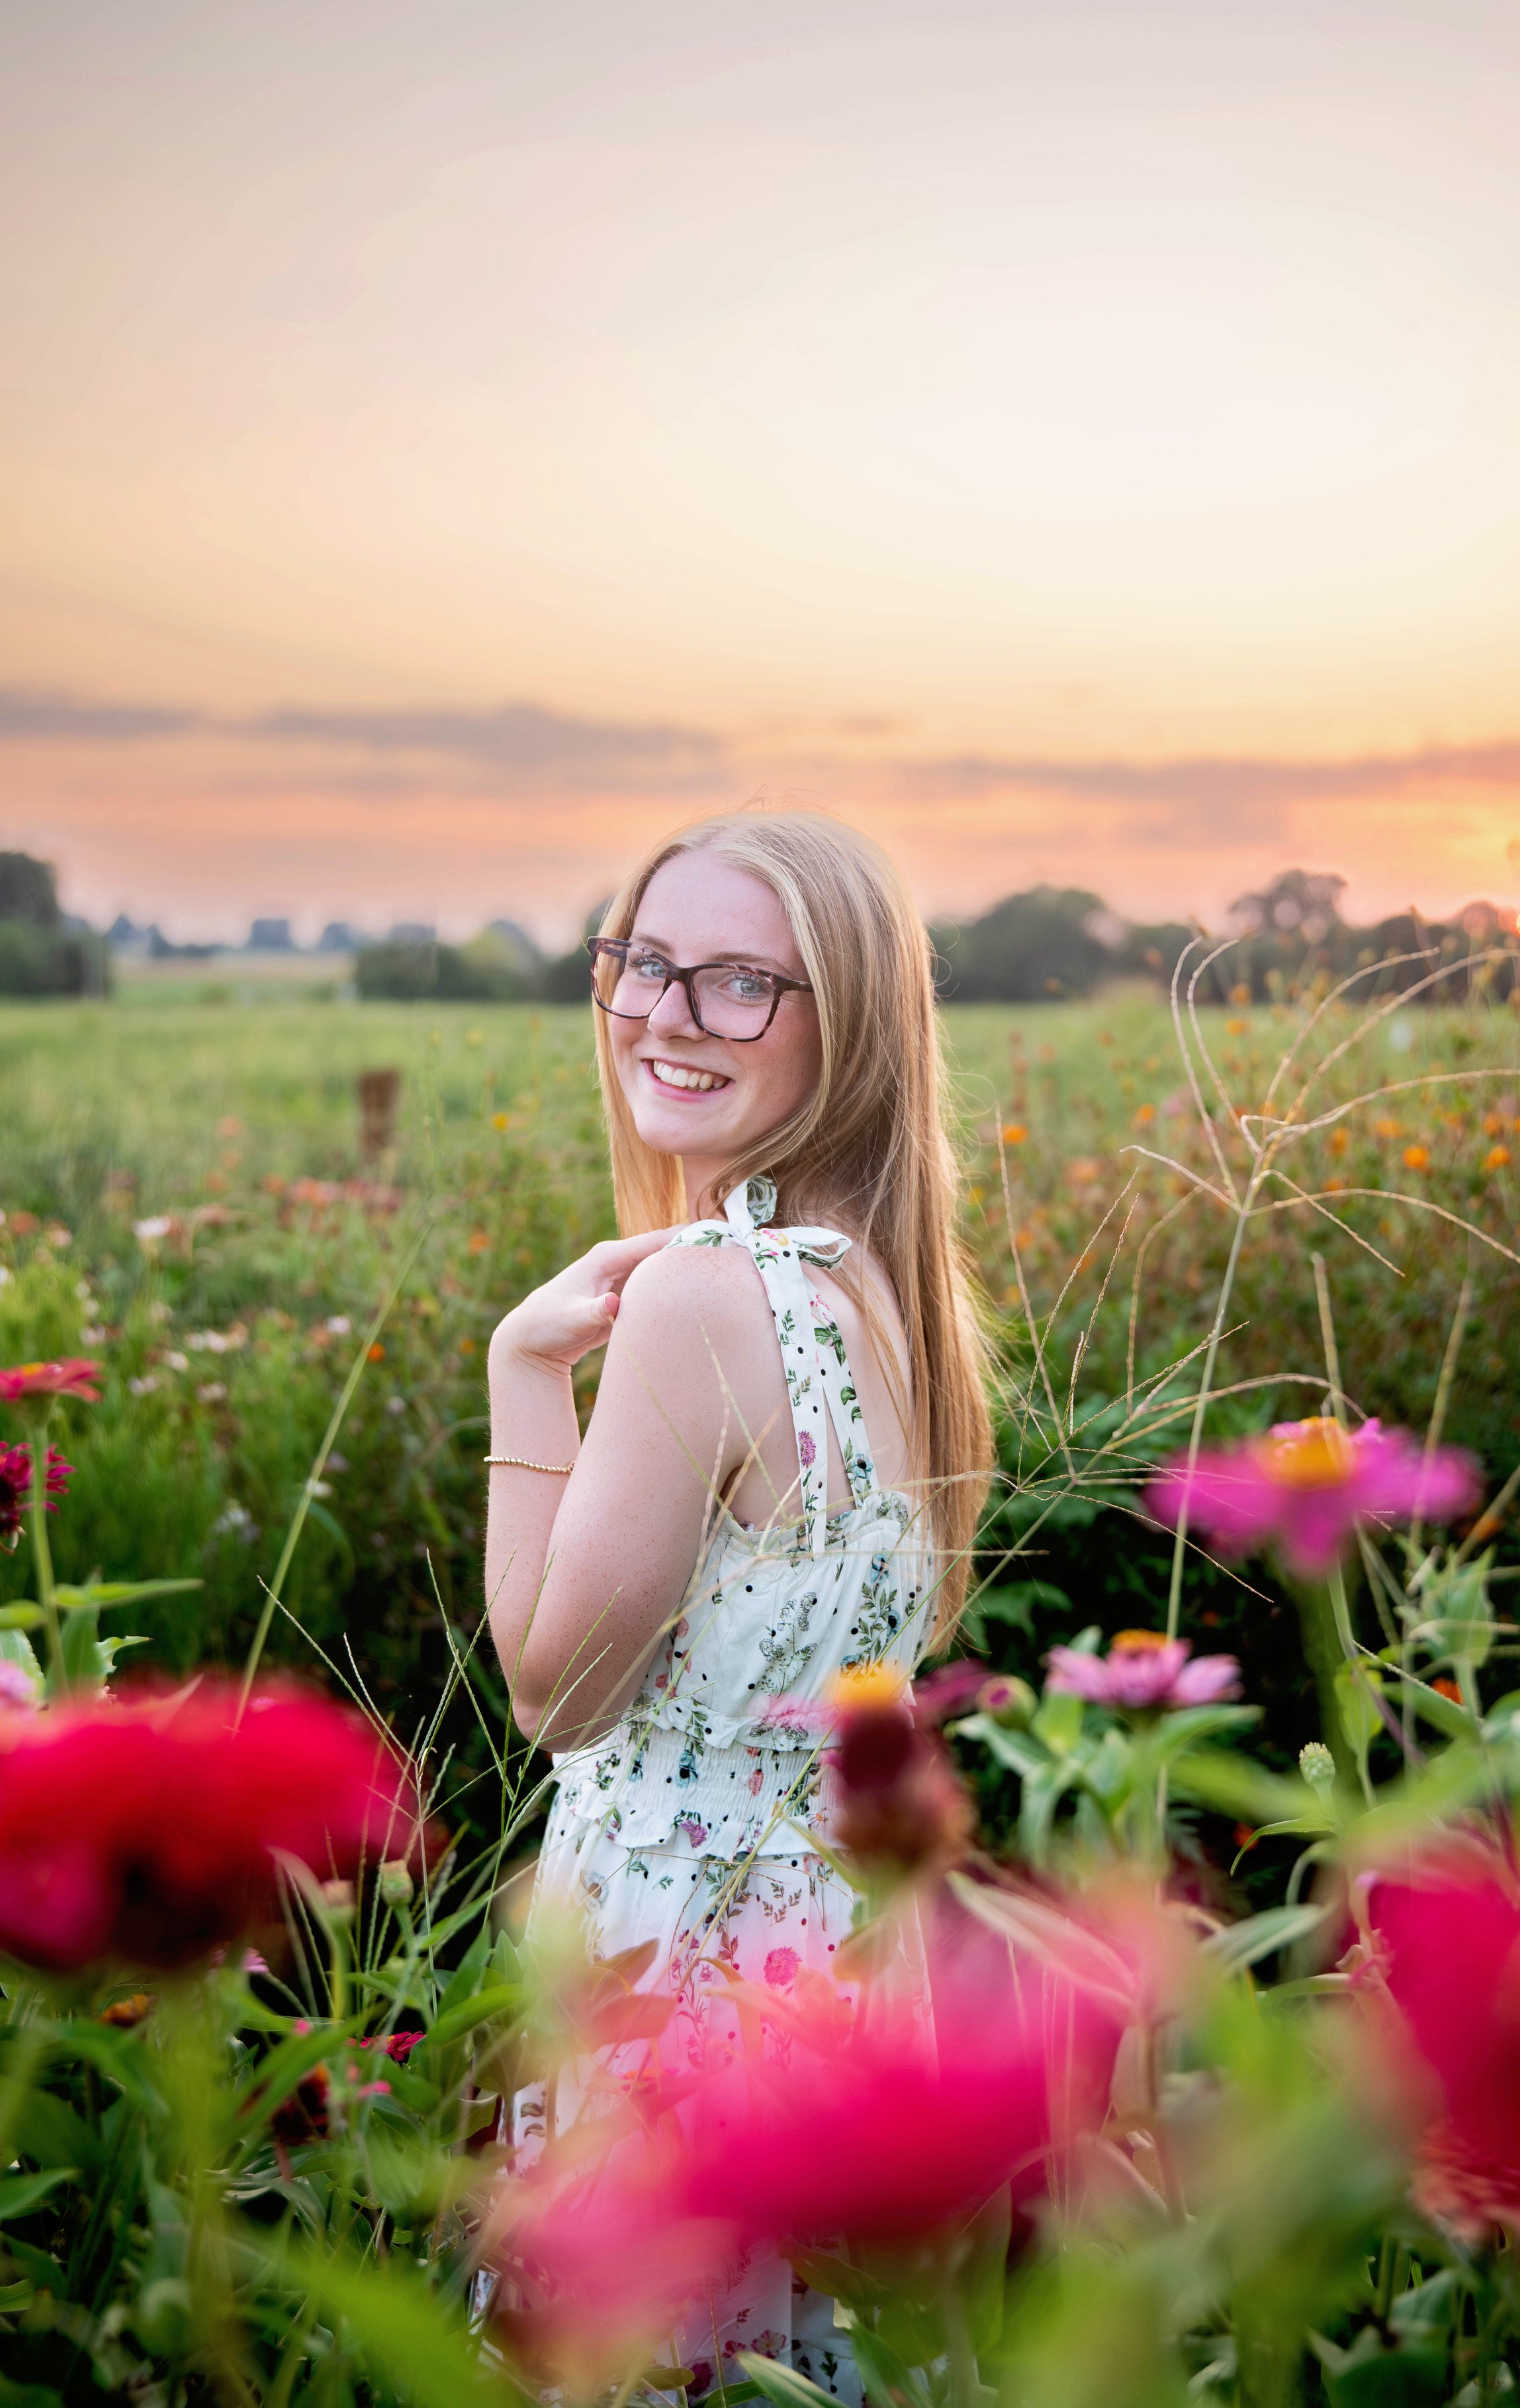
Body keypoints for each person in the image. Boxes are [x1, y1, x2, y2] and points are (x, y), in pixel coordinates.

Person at [484, 808, 993, 2395]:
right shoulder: (884, 1292)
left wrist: (521, 1375)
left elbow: (553, 1697)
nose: (659, 1012)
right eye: (638, 959)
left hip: (679, 1978)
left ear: (845, 1026)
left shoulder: (708, 1293)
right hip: (830, 1965)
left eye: (734, 983)